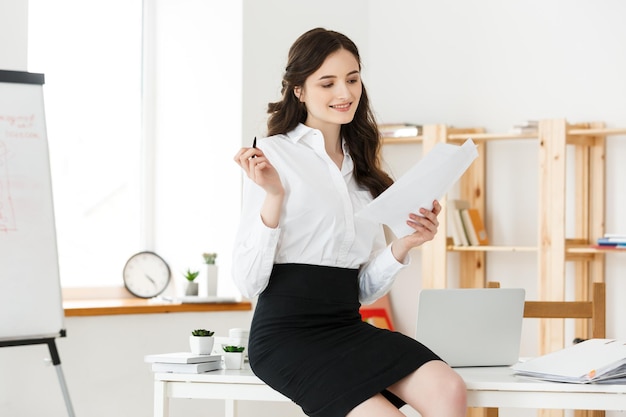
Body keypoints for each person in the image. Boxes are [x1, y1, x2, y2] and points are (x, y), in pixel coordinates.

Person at [232, 27, 466, 417]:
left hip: (345, 326)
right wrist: (274, 196)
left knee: (448, 388)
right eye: (328, 83)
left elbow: (362, 290)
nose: (345, 94)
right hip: (286, 336)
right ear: (299, 90)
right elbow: (248, 281)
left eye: (352, 79)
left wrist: (404, 244)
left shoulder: (362, 170)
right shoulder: (272, 155)